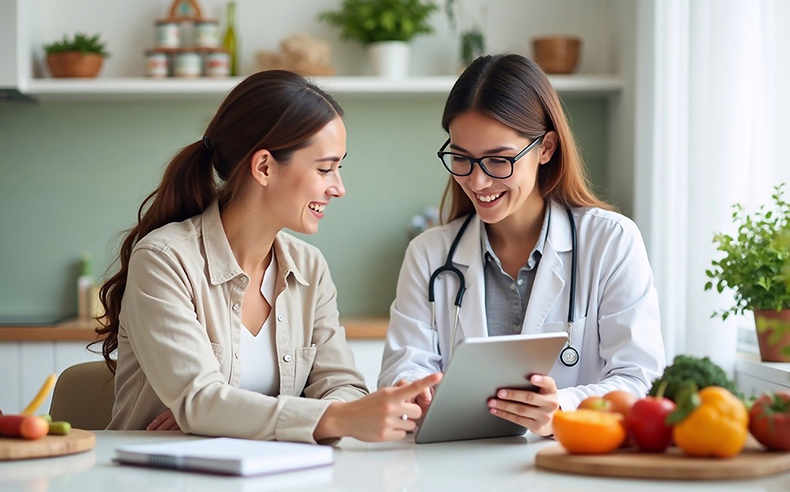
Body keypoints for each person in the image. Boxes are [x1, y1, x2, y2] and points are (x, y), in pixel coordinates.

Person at [96, 70, 440, 444]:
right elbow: (200, 401)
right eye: (325, 168)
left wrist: (228, 416)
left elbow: (344, 388)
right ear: (264, 167)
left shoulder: (310, 268)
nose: (338, 187)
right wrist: (214, 414)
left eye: (339, 167)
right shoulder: (164, 260)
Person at [378, 54, 665, 437]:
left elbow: (640, 379)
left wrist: (562, 408)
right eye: (462, 158)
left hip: (570, 463)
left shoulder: (611, 241)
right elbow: (404, 368)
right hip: (456, 467)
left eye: (498, 161)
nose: (477, 182)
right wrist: (411, 390)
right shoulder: (429, 254)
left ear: (545, 148)